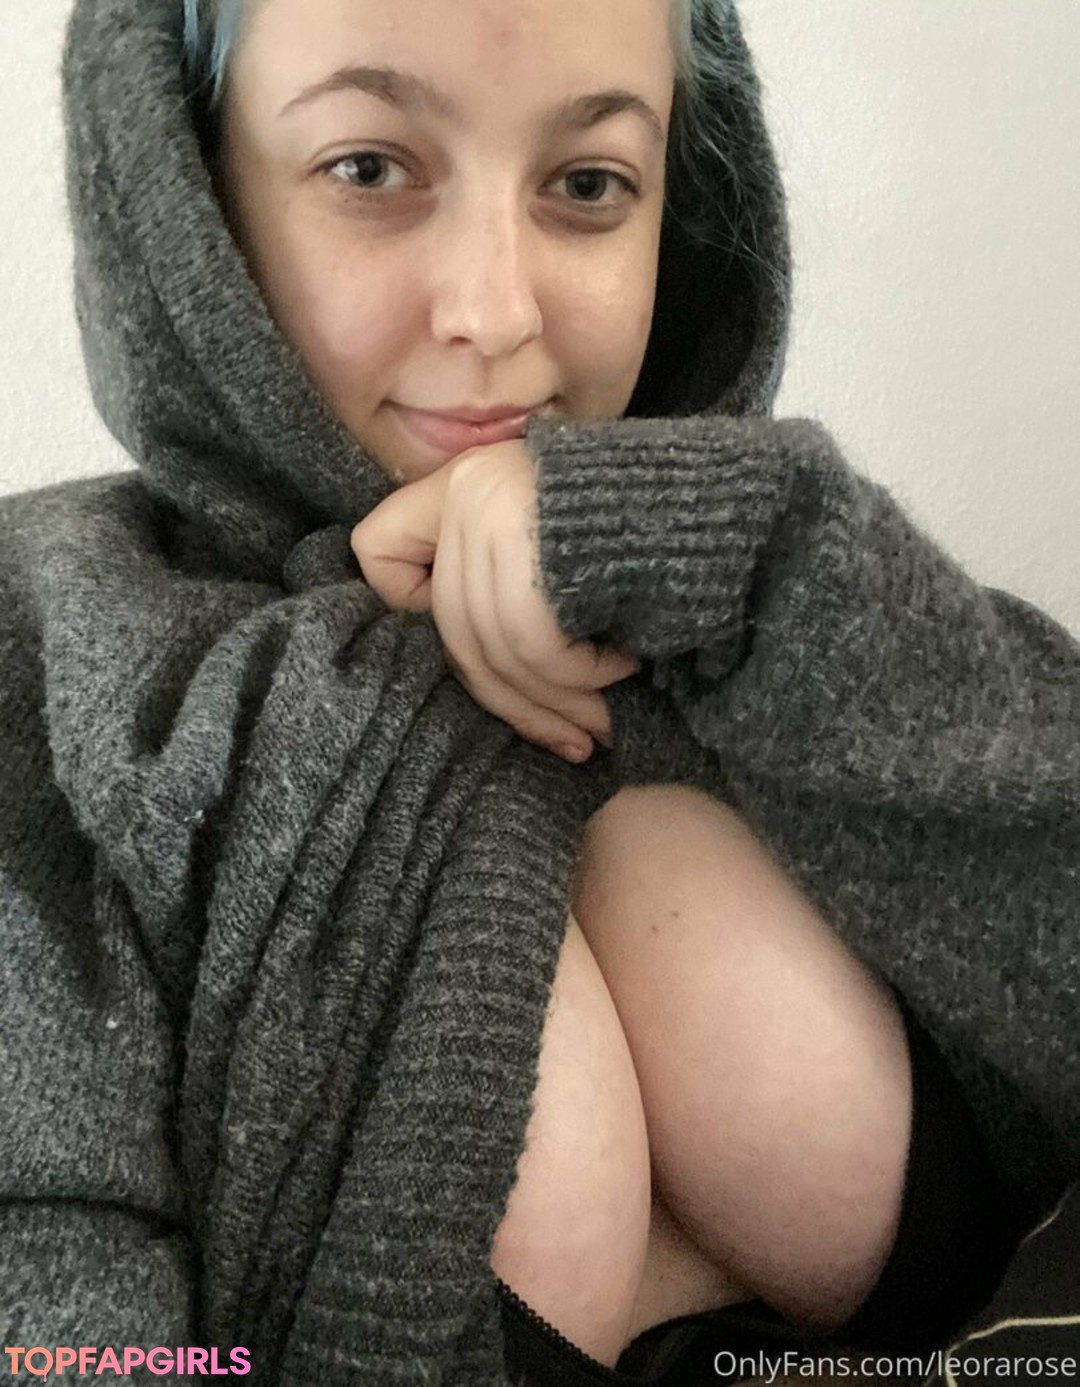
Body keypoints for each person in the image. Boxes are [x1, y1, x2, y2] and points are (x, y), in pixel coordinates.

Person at [0, 0, 1076, 1384]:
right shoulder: (48, 639)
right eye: (370, 167)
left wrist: (743, 548)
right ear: (185, 186)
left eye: (588, 183)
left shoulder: (771, 599)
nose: (495, 311)